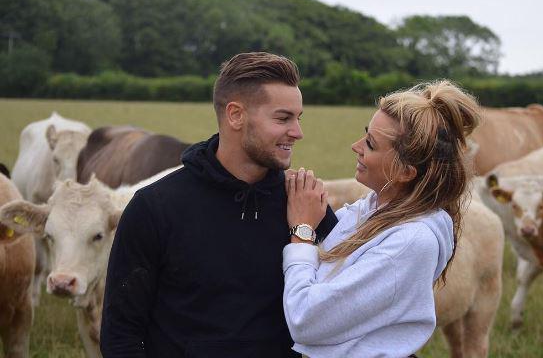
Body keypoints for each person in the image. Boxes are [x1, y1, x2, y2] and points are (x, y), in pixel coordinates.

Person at [100, 52, 337, 358]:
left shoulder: (305, 204)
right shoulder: (155, 207)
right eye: (283, 118)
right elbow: (121, 333)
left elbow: (344, 309)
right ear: (236, 115)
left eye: (298, 118)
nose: (298, 132)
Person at [282, 80, 480, 357]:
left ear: (405, 172)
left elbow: (306, 320)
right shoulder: (372, 210)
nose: (356, 146)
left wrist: (302, 231)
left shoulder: (410, 241)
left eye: (371, 144)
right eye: (365, 135)